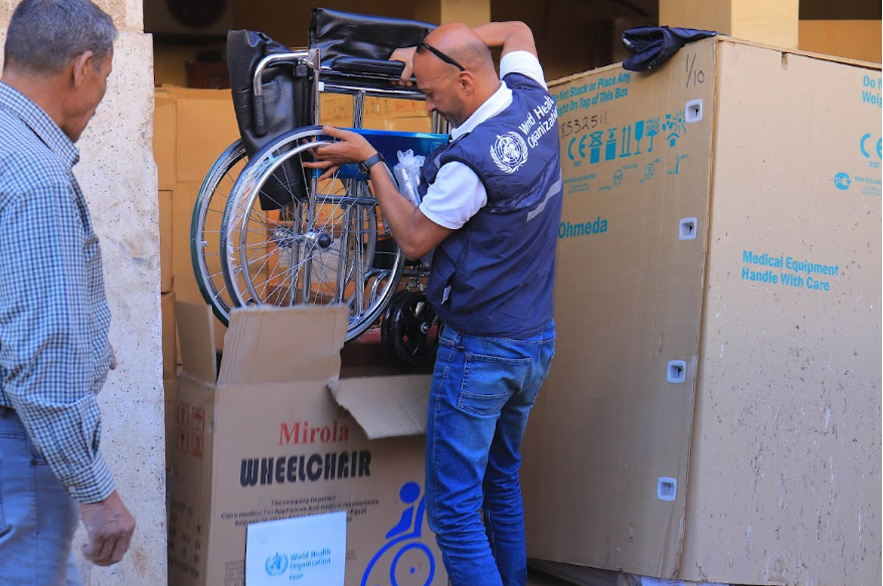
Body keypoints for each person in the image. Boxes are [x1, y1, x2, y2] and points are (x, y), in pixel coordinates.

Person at [312, 20, 561, 586]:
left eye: (430, 92)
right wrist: (422, 51)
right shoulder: (534, 101)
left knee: (453, 512)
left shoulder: (469, 165)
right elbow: (520, 28)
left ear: (467, 82)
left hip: (481, 351)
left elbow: (415, 239)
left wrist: (371, 161)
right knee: (500, 483)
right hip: (535, 341)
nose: (428, 103)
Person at [0, 0, 136, 584]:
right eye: (105, 75)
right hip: (19, 452)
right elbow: (42, 362)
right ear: (83, 68)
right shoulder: (37, 179)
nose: (102, 96)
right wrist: (96, 491)